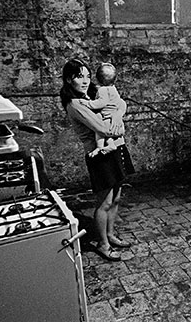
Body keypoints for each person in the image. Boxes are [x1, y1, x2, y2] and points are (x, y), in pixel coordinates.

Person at [59, 58, 135, 261]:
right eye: (78, 77)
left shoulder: (93, 95)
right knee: (105, 202)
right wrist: (117, 118)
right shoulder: (76, 104)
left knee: (117, 197)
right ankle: (103, 244)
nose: (84, 81)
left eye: (86, 75)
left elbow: (121, 103)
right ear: (68, 80)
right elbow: (104, 128)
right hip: (100, 155)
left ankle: (110, 235)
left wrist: (117, 114)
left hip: (116, 148)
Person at [86, 62, 125, 157]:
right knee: (108, 135)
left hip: (106, 118)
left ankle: (99, 147)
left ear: (98, 79)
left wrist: (89, 104)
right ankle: (111, 145)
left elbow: (101, 103)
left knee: (99, 131)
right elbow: (120, 102)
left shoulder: (102, 90)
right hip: (114, 121)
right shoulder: (113, 89)